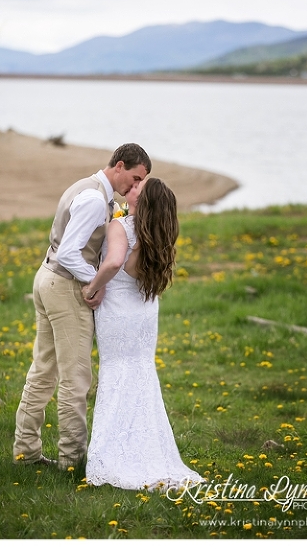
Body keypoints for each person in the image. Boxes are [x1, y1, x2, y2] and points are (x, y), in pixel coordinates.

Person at [13, 144, 151, 468]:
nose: (135, 187)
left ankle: (25, 453)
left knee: (43, 371)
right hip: (64, 287)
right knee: (75, 380)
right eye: (135, 178)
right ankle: (72, 460)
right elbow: (69, 253)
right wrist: (95, 283)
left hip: (47, 278)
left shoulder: (89, 189)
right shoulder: (93, 200)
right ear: (120, 165)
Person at [83, 177, 203, 489]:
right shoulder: (158, 232)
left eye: (139, 187)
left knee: (116, 372)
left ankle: (113, 453)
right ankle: (144, 447)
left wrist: (92, 287)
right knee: (140, 373)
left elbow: (114, 263)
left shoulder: (121, 226)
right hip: (145, 312)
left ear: (143, 201)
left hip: (119, 311)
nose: (132, 188)